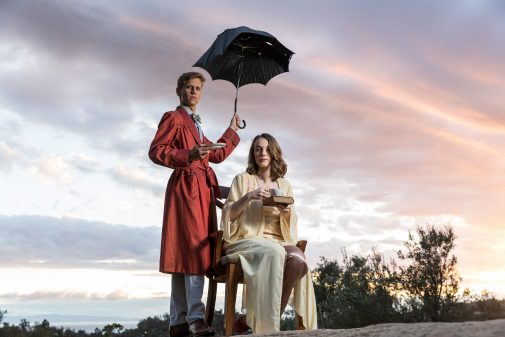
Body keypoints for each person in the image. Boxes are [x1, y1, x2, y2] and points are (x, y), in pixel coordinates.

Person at [149, 71, 242, 337]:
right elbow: (156, 151)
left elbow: (217, 155)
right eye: (189, 87)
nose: (193, 92)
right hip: (186, 189)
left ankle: (179, 321)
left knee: (185, 253)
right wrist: (187, 154)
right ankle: (195, 318)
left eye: (198, 88)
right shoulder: (174, 117)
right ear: (178, 91)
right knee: (192, 252)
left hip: (201, 191)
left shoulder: (196, 123)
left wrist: (232, 130)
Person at [220, 133, 317, 334]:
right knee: (274, 252)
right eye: (257, 149)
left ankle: (253, 321)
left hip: (279, 240)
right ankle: (265, 327)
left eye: (266, 149)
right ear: (252, 154)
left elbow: (292, 221)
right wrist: (249, 197)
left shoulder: (284, 185)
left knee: (299, 261)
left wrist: (287, 213)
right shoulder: (242, 180)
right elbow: (228, 214)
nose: (262, 153)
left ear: (274, 153)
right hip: (246, 239)